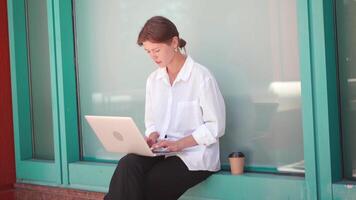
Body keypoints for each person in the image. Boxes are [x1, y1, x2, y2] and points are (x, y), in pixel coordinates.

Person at [104, 16, 226, 200]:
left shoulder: (201, 77)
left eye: (156, 50)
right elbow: (152, 123)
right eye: (148, 51)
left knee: (149, 183)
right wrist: (152, 137)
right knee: (127, 164)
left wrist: (179, 144)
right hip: (163, 151)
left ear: (174, 42)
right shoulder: (153, 80)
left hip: (194, 156)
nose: (153, 56)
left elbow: (215, 127)